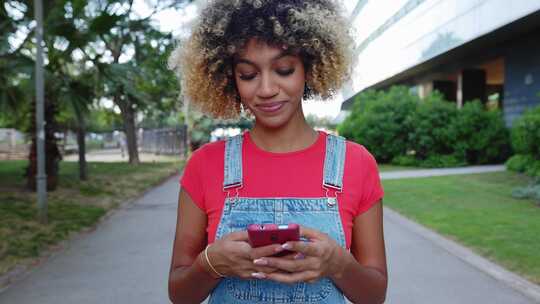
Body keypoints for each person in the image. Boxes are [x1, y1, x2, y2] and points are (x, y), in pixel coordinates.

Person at [168, 1, 387, 303]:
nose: (267, 88)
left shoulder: (356, 163)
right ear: (230, 78)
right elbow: (179, 294)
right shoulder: (205, 165)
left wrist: (338, 264)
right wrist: (210, 264)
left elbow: (374, 295)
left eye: (284, 69)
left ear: (309, 68)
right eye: (248, 74)